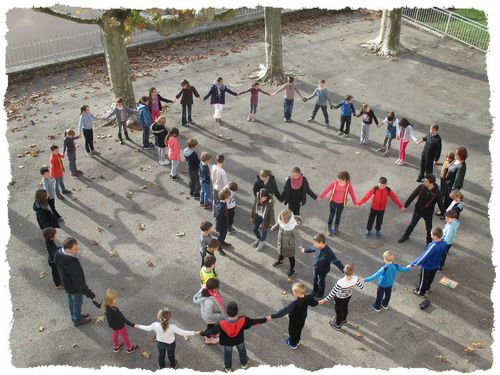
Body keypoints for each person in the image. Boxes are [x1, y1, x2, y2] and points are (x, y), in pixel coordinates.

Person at [200, 301, 269, 372]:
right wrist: (265, 319)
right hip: (239, 340)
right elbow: (254, 321)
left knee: (227, 353)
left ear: (226, 311)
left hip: (227, 342)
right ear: (238, 310)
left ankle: (228, 367)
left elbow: (212, 331)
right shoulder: (243, 320)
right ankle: (244, 363)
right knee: (242, 350)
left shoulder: (222, 323)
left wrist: (202, 333)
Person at [135, 308, 200, 369]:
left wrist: (138, 326)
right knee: (171, 356)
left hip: (160, 343)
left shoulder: (155, 325)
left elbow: (148, 328)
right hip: (170, 344)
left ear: (159, 317)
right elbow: (183, 332)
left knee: (161, 355)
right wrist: (195, 332)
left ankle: (161, 365)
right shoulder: (172, 327)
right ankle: (173, 365)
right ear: (169, 318)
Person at [53, 238, 96, 326]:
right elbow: (79, 283)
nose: (76, 251)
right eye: (74, 249)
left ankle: (74, 315)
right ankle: (77, 319)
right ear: (68, 249)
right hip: (74, 288)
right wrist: (90, 294)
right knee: (77, 302)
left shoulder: (59, 252)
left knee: (71, 301)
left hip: (67, 284)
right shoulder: (72, 264)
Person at [267, 282, 319, 349]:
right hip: (302, 318)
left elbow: (284, 311)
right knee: (299, 329)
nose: (292, 293)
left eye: (293, 292)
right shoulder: (309, 297)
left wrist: (272, 316)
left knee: (292, 332)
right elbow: (314, 304)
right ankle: (297, 340)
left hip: (294, 320)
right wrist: (319, 302)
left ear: (296, 293)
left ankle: (292, 344)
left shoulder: (294, 304)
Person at [398, 174, 446, 244]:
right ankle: (406, 236)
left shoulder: (436, 193)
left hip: (428, 213)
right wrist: (405, 206)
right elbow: (413, 195)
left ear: (431, 183)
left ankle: (429, 242)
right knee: (412, 224)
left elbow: (441, 204)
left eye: (426, 181)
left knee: (429, 229)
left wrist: (445, 216)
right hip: (418, 210)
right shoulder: (421, 187)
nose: (424, 182)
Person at [92, 289, 139, 353]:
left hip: (112, 324)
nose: (116, 299)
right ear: (110, 300)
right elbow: (123, 319)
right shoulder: (115, 310)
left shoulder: (104, 304)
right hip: (120, 325)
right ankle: (129, 348)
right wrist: (133, 325)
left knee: (115, 333)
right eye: (115, 299)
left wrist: (94, 301)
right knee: (124, 336)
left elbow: (99, 306)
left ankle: (116, 347)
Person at [319, 264, 364, 330]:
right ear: (353, 272)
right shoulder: (355, 278)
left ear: (344, 271)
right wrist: (359, 280)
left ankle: (337, 325)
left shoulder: (340, 282)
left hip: (339, 298)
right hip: (348, 296)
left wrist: (325, 300)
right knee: (345, 308)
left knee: (339, 311)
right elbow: (361, 287)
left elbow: (333, 292)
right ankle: (344, 320)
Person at [301, 233, 344, 298]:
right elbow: (312, 249)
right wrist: (305, 250)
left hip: (323, 271)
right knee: (315, 280)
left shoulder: (328, 252)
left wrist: (345, 270)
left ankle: (320, 295)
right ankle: (314, 291)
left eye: (315, 243)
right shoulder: (317, 247)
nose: (314, 245)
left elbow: (336, 261)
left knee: (320, 282)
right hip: (315, 267)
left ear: (321, 243)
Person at [407, 227, 448, 296]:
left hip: (427, 266)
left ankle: (420, 292)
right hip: (435, 264)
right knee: (431, 278)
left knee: (424, 279)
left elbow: (423, 257)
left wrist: (412, 264)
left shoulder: (433, 246)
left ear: (435, 237)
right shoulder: (444, 243)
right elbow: (444, 253)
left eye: (431, 234)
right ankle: (427, 288)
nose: (430, 235)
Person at [318, 171, 358, 235]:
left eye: (340, 180)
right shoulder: (335, 183)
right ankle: (329, 228)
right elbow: (327, 190)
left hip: (341, 204)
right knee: (331, 215)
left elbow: (352, 194)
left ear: (344, 180)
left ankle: (336, 228)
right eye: (338, 179)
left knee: (338, 216)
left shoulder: (348, 186)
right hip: (333, 202)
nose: (338, 181)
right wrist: (320, 197)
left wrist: (355, 203)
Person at [193, 278, 226, 344]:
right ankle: (208, 338)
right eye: (217, 287)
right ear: (213, 289)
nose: (218, 289)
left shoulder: (206, 289)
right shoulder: (209, 302)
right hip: (210, 318)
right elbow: (209, 315)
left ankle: (211, 335)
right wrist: (219, 315)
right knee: (210, 328)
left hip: (209, 316)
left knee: (211, 327)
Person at [271, 208, 302, 277]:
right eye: (281, 218)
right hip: (281, 243)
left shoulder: (292, 227)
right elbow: (278, 224)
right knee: (280, 253)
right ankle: (280, 261)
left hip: (289, 246)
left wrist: (301, 246)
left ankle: (292, 269)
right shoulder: (281, 220)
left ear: (288, 220)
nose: (281, 220)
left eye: (284, 219)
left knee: (291, 258)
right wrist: (273, 228)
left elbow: (298, 237)